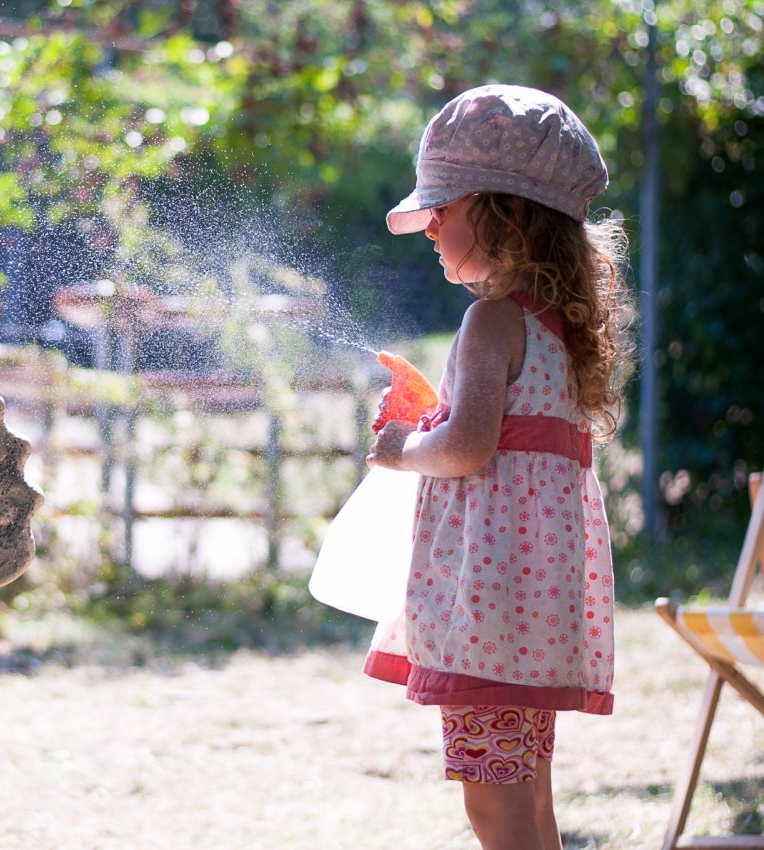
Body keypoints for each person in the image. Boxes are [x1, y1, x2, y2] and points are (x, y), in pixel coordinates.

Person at [364, 84, 631, 850]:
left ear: (505, 213)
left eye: (443, 206)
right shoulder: (553, 330)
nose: (430, 225)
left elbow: (468, 448)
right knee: (527, 793)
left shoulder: (492, 319)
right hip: (535, 609)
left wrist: (399, 448)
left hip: (487, 609)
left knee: (495, 806)